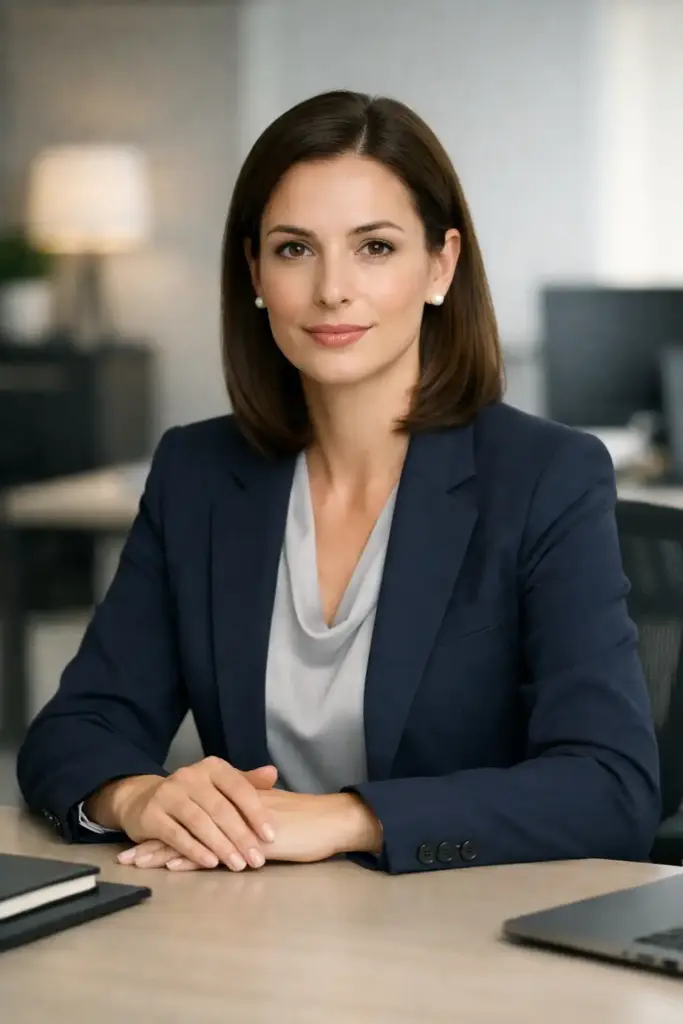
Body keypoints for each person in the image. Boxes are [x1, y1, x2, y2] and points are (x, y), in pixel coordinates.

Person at [17, 90, 660, 877]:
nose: (331, 289)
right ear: (254, 271)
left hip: (459, 926)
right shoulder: (198, 474)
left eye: (374, 247)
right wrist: (137, 797)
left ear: (440, 265)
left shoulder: (543, 477)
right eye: (294, 249)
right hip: (251, 921)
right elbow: (75, 729)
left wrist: (349, 819)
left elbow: (611, 788)